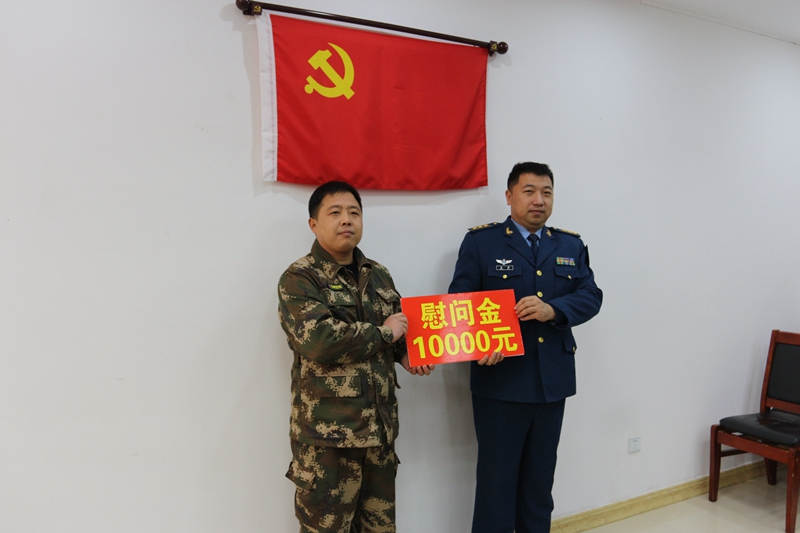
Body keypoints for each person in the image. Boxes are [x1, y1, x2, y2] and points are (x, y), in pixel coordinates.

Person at [448, 162, 602, 533]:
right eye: (529, 191)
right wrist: (479, 344)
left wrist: (553, 309)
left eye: (546, 192)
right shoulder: (482, 243)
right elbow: (459, 304)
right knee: (496, 485)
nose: (538, 200)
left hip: (552, 384)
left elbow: (590, 295)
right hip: (500, 383)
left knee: (539, 484)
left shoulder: (570, 244)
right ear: (509, 196)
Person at [278, 180, 434, 533]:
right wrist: (385, 334)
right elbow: (319, 340)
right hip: (328, 442)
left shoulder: (378, 274)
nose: (347, 219)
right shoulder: (300, 278)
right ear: (313, 223)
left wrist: (407, 354)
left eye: (354, 212)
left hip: (378, 434)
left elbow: (399, 329)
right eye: (335, 212)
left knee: (380, 529)